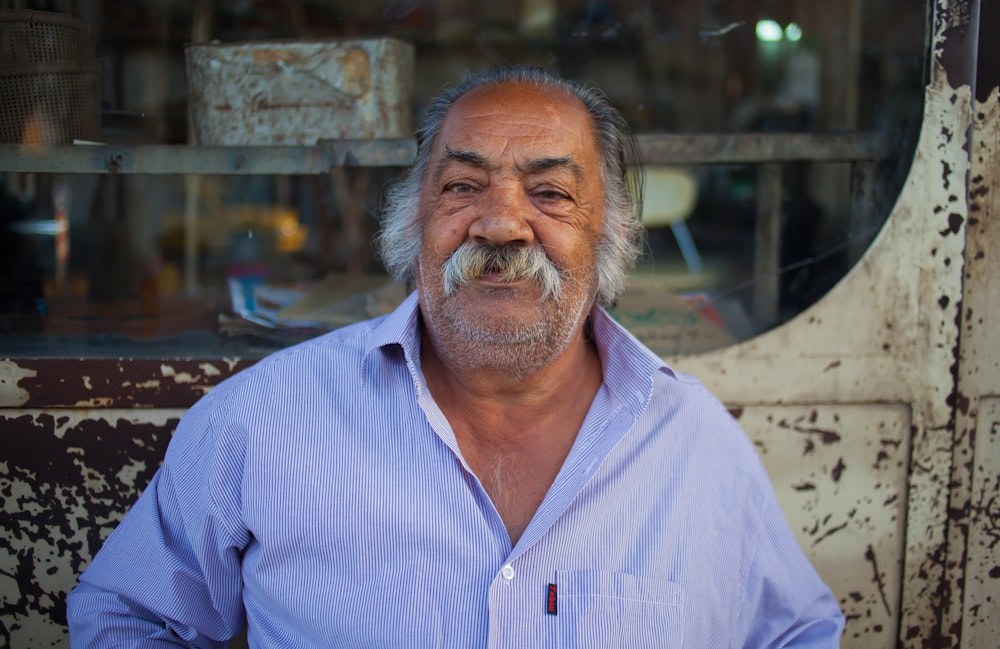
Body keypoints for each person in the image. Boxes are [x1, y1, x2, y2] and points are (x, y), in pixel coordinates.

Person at [68, 65, 844, 647]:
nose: (500, 225)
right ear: (415, 221)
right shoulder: (263, 420)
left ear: (608, 235)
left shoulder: (693, 442)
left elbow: (795, 634)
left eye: (550, 194)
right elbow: (124, 616)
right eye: (463, 185)